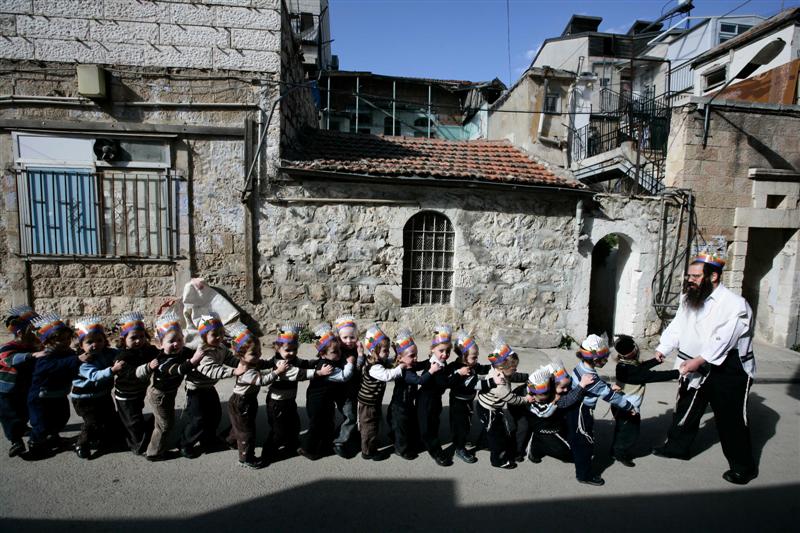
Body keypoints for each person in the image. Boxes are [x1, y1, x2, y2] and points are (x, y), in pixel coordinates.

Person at [652, 247, 758, 485]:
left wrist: (700, 360)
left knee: (731, 419)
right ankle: (677, 448)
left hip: (729, 368)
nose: (690, 280)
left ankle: (743, 467)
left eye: (696, 276)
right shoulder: (688, 298)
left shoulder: (735, 304)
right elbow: (679, 325)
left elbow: (725, 339)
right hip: (694, 361)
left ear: (713, 276)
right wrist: (663, 347)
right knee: (686, 406)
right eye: (689, 276)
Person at [569, 334, 635, 486]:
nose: (605, 361)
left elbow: (596, 386)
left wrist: (604, 386)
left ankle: (576, 456)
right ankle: (583, 475)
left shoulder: (579, 368)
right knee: (585, 443)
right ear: (594, 359)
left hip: (573, 409)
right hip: (583, 412)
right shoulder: (592, 379)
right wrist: (629, 406)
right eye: (603, 358)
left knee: (576, 438)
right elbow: (611, 397)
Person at [261, 322, 331, 463]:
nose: (292, 353)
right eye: (288, 350)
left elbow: (303, 364)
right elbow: (299, 373)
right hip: (277, 403)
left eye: (294, 350)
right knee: (278, 430)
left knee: (294, 425)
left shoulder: (292, 359)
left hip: (289, 400)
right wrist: (319, 372)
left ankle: (291, 443)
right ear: (278, 348)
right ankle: (268, 453)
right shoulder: (281, 364)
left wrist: (316, 362)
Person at [611, 334, 678, 467]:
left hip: (618, 405)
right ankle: (620, 453)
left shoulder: (623, 365)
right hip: (629, 408)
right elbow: (654, 376)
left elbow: (640, 368)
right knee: (630, 432)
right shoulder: (633, 372)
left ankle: (614, 450)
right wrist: (678, 372)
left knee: (621, 428)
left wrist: (656, 361)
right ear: (634, 350)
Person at [225, 322, 286, 469]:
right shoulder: (246, 369)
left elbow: (264, 364)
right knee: (247, 431)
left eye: (259, 351)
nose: (258, 355)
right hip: (241, 402)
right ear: (240, 355)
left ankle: (230, 440)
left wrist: (276, 358)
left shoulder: (253, 363)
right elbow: (262, 380)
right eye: (254, 353)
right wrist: (277, 372)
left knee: (240, 426)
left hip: (247, 401)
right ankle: (246, 458)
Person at [144, 311, 203, 461]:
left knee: (165, 418)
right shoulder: (162, 360)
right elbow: (178, 369)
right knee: (165, 425)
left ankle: (153, 434)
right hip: (159, 395)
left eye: (179, 339)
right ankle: (154, 452)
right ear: (160, 344)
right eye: (171, 341)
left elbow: (191, 352)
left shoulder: (181, 351)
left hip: (169, 393)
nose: (176, 343)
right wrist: (193, 361)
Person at [180, 313, 240, 458]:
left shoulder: (220, 347)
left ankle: (208, 438)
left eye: (221, 333)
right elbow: (213, 371)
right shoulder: (203, 352)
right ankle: (185, 444)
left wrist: (242, 363)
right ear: (204, 336)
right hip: (195, 389)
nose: (219, 337)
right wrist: (235, 371)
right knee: (198, 419)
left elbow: (229, 359)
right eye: (214, 334)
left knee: (215, 414)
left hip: (208, 388)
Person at [27, 312, 83, 457]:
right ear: (47, 342)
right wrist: (75, 361)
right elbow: (52, 367)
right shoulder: (46, 355)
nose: (65, 342)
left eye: (67, 339)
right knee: (41, 424)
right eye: (60, 340)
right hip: (41, 397)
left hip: (59, 394)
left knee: (61, 417)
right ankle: (35, 445)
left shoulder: (69, 352)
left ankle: (53, 437)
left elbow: (73, 368)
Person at [69, 316, 125, 459]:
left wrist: (124, 348)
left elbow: (119, 353)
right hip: (84, 398)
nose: (95, 344)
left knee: (109, 415)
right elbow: (94, 375)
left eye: (99, 340)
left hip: (103, 394)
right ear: (81, 345)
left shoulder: (107, 352)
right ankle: (82, 443)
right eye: (90, 342)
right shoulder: (84, 360)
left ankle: (106, 436)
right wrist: (112, 370)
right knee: (91, 422)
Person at [300, 323, 355, 460]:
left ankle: (323, 444)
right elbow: (344, 376)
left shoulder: (330, 360)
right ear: (323, 354)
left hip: (325, 400)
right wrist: (351, 363)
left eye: (339, 350)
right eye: (334, 352)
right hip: (317, 402)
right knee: (316, 426)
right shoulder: (327, 367)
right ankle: (308, 449)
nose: (339, 354)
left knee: (325, 423)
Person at [476, 338, 530, 469]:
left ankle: (482, 443)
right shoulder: (500, 385)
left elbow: (514, 376)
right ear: (502, 368)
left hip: (487, 406)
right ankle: (498, 460)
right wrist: (525, 399)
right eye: (514, 368)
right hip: (489, 410)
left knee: (490, 429)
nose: (515, 370)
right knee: (497, 436)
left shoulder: (501, 370)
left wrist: (528, 376)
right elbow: (511, 399)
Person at [449, 329, 498, 464]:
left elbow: (482, 368)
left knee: (467, 423)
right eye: (474, 357)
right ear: (463, 357)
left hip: (468, 401)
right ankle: (459, 448)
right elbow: (476, 384)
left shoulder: (472, 365)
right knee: (460, 426)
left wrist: (495, 365)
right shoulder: (459, 369)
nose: (476, 360)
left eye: (476, 356)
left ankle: (462, 439)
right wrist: (493, 381)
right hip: (458, 404)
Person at [113, 311, 159, 455]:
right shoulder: (122, 357)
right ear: (124, 339)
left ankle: (123, 430)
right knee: (132, 420)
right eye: (133, 338)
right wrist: (148, 367)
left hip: (139, 391)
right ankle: (137, 445)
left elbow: (159, 354)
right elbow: (130, 373)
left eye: (142, 337)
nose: (139, 340)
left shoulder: (147, 350)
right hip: (125, 395)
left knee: (135, 414)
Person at [388, 328, 437, 460]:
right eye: (411, 356)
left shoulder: (411, 365)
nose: (415, 358)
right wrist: (431, 371)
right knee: (401, 429)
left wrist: (429, 360)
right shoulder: (405, 372)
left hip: (408, 404)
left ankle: (410, 441)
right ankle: (401, 450)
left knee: (408, 425)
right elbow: (420, 380)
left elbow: (420, 365)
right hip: (399, 407)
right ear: (400, 358)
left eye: (416, 354)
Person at [0, 306, 40, 458]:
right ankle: (15, 441)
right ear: (21, 332)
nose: (37, 333)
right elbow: (9, 359)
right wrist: (31, 355)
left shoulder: (34, 345)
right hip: (7, 389)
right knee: (9, 415)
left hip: (25, 387)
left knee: (24, 411)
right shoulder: (8, 347)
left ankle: (23, 427)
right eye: (34, 330)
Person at [332, 314, 362, 457]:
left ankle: (350, 433)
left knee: (351, 415)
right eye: (345, 338)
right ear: (339, 338)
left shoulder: (353, 349)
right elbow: (356, 369)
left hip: (354, 389)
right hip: (345, 392)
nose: (349, 341)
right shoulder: (340, 353)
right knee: (349, 416)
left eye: (352, 337)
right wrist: (360, 357)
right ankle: (339, 441)